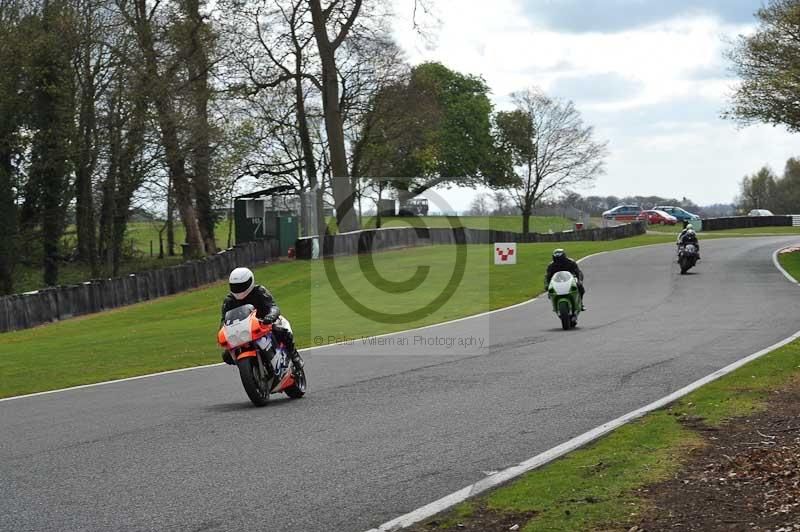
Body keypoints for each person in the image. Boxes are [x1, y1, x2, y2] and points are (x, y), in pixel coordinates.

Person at [220, 267, 303, 370]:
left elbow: (273, 306)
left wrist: (271, 316)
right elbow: (224, 320)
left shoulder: (259, 291)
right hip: (243, 331)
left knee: (282, 330)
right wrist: (223, 330)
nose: (239, 289)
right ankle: (250, 368)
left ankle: (294, 356)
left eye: (241, 285)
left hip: (264, 324)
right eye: (235, 286)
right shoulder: (229, 301)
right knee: (227, 355)